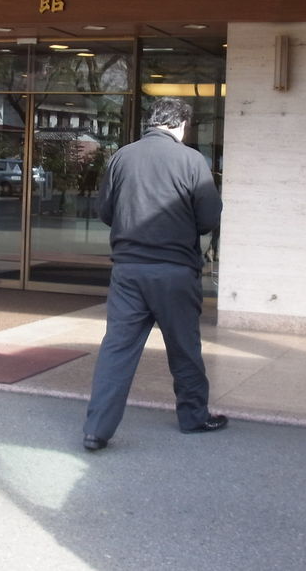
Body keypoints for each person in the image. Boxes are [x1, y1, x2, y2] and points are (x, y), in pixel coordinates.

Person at [82, 97, 225, 451]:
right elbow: (208, 218)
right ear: (180, 124)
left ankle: (96, 430)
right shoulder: (191, 160)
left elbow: (105, 211)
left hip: (128, 270)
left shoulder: (122, 157)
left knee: (117, 348)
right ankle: (193, 417)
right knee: (184, 346)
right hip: (174, 271)